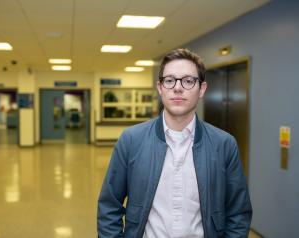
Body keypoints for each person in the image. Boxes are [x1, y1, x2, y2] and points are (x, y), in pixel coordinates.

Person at [97, 49, 252, 238]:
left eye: (188, 81)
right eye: (170, 80)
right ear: (160, 87)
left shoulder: (224, 145)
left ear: (202, 89)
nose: (178, 88)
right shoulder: (131, 140)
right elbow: (109, 206)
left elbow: (238, 213)